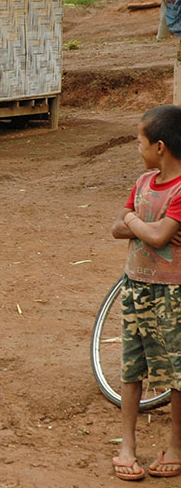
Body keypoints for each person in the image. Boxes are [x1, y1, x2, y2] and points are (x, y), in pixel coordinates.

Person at [111, 105, 181, 481]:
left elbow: (152, 235)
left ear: (160, 147)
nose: (136, 146)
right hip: (136, 287)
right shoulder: (142, 183)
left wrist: (137, 222)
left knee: (178, 373)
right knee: (131, 367)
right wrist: (146, 225)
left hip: (174, 294)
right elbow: (115, 228)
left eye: (139, 141)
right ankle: (127, 445)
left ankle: (176, 446)